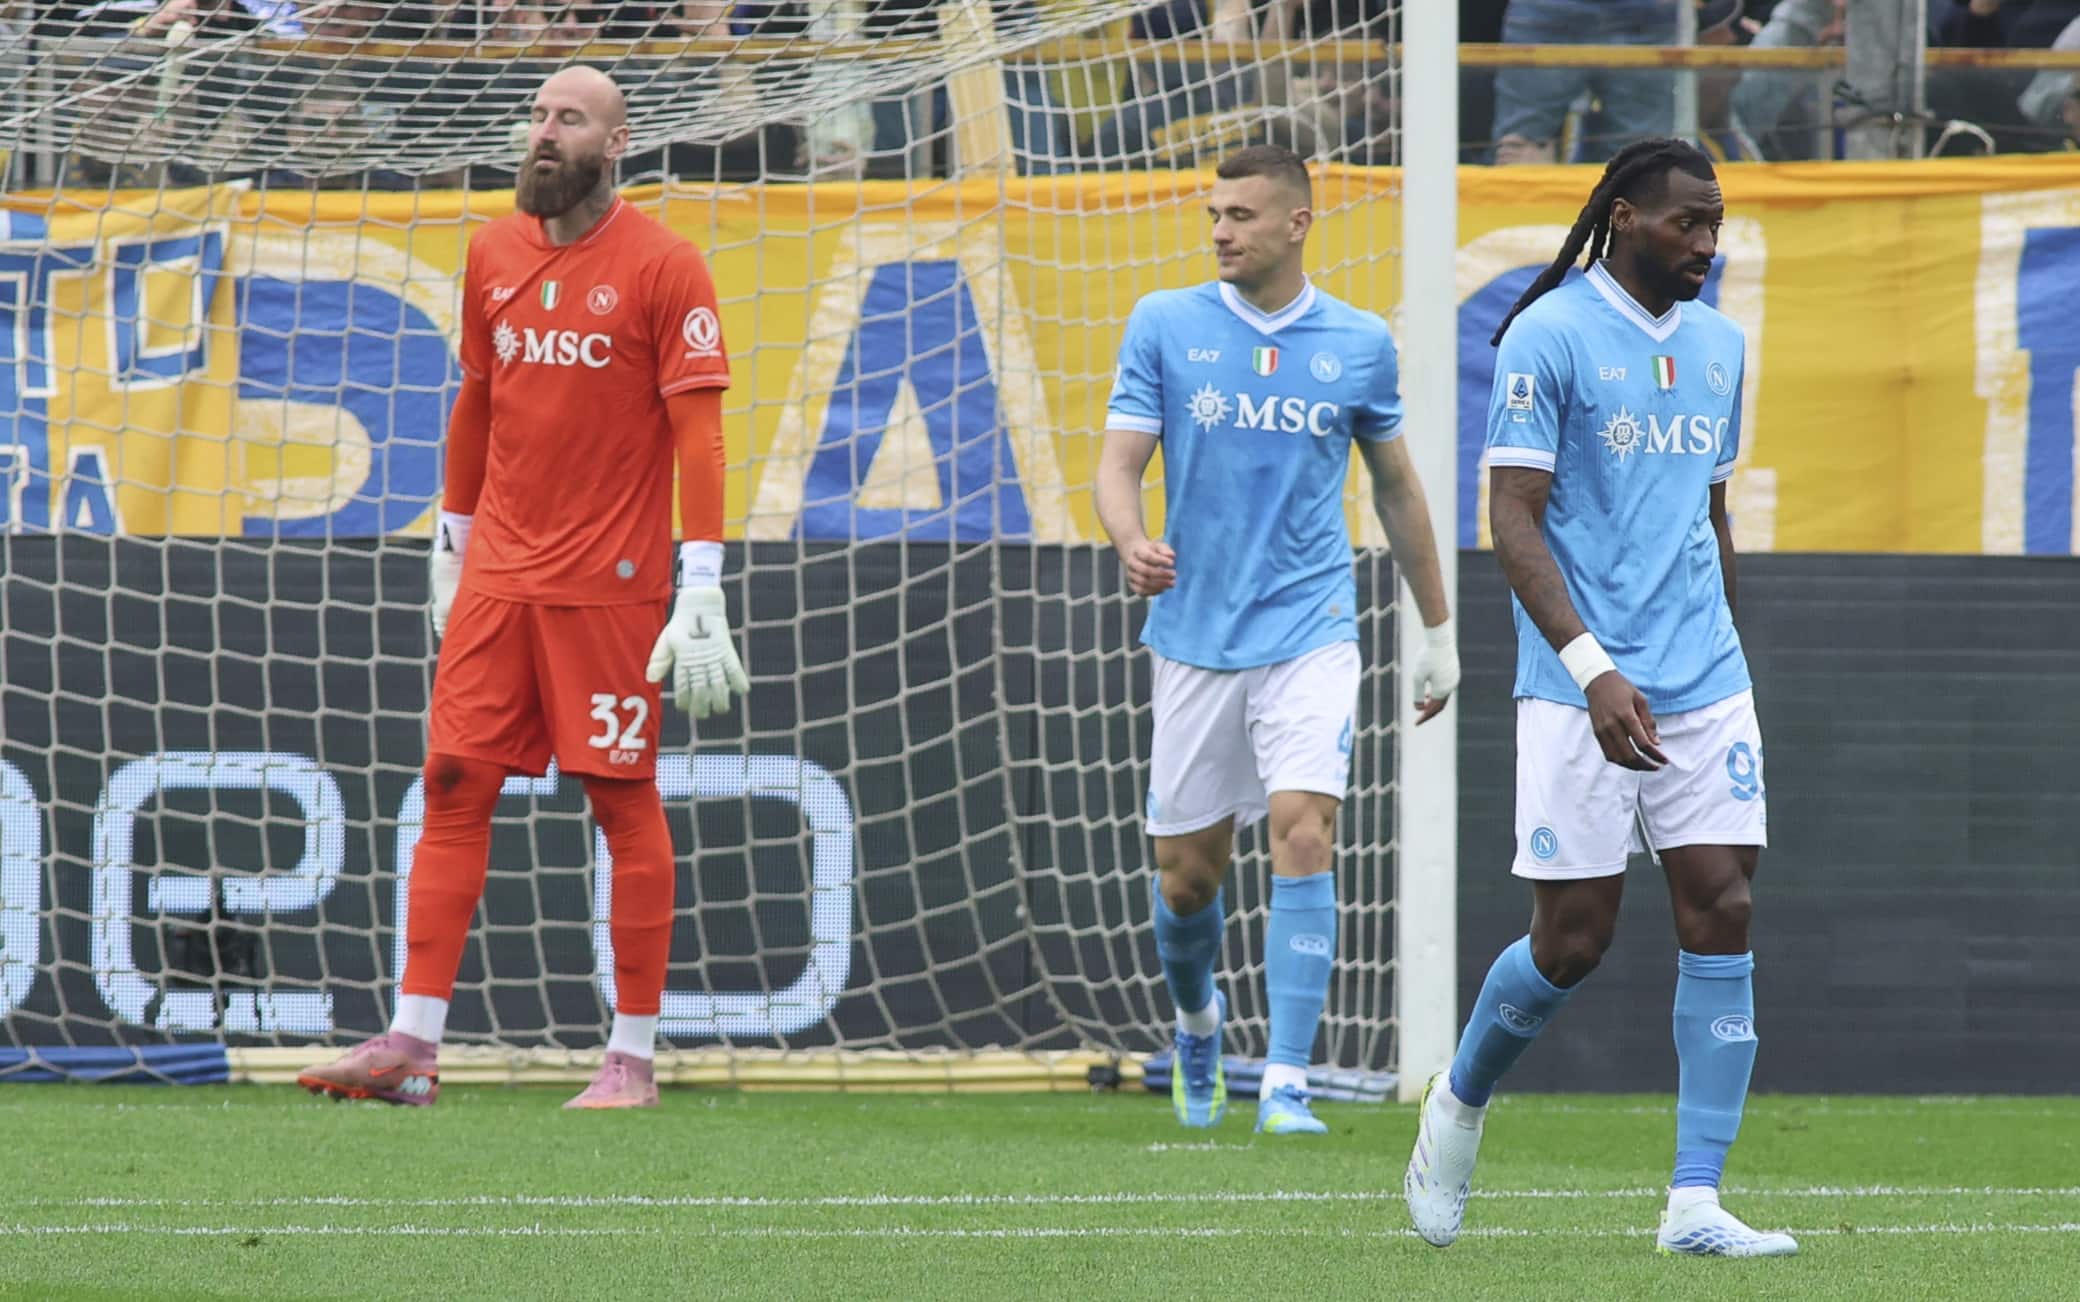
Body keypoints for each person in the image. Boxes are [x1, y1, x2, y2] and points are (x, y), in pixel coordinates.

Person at [297, 64, 747, 1110]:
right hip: (499, 574)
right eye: (538, 116)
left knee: (620, 799)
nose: (544, 134)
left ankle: (631, 1058)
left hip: (611, 585)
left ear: (616, 143)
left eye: (569, 120)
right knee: (453, 781)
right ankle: (411, 1046)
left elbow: (702, 437)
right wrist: (450, 541)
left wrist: (703, 583)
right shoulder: (491, 250)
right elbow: (477, 400)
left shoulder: (666, 266)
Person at [1402, 137, 1795, 1257]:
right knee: (1573, 939)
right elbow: (1512, 516)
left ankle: (1694, 1202)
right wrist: (1592, 670)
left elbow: (1706, 512)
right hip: (1578, 681)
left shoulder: (1719, 346)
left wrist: (1720, 637)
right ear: (1623, 218)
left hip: (1703, 678)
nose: (1707, 245)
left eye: (1716, 225)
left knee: (1720, 905)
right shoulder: (1548, 335)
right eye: (1688, 224)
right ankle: (1460, 1101)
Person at [1095, 144, 1459, 1136]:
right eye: (1213, 213)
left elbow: (1393, 486)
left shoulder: (1356, 341)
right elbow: (1120, 461)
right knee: (1188, 878)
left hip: (1310, 624)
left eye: (1241, 215)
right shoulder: (1164, 324)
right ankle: (1199, 1022)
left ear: (1297, 223)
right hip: (1195, 633)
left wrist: (1438, 631)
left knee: (1305, 828)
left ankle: (1289, 1082)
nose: (1220, 230)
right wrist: (1131, 539)